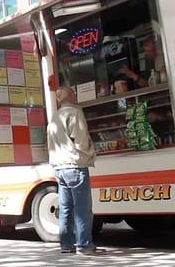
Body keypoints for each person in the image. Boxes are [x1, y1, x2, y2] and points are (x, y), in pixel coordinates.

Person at [47, 87, 104, 255]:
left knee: (65, 207)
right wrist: (90, 154)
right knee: (82, 208)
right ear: (71, 96)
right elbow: (81, 140)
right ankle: (84, 245)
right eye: (75, 93)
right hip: (74, 166)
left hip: (59, 167)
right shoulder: (74, 113)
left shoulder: (55, 116)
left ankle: (66, 244)